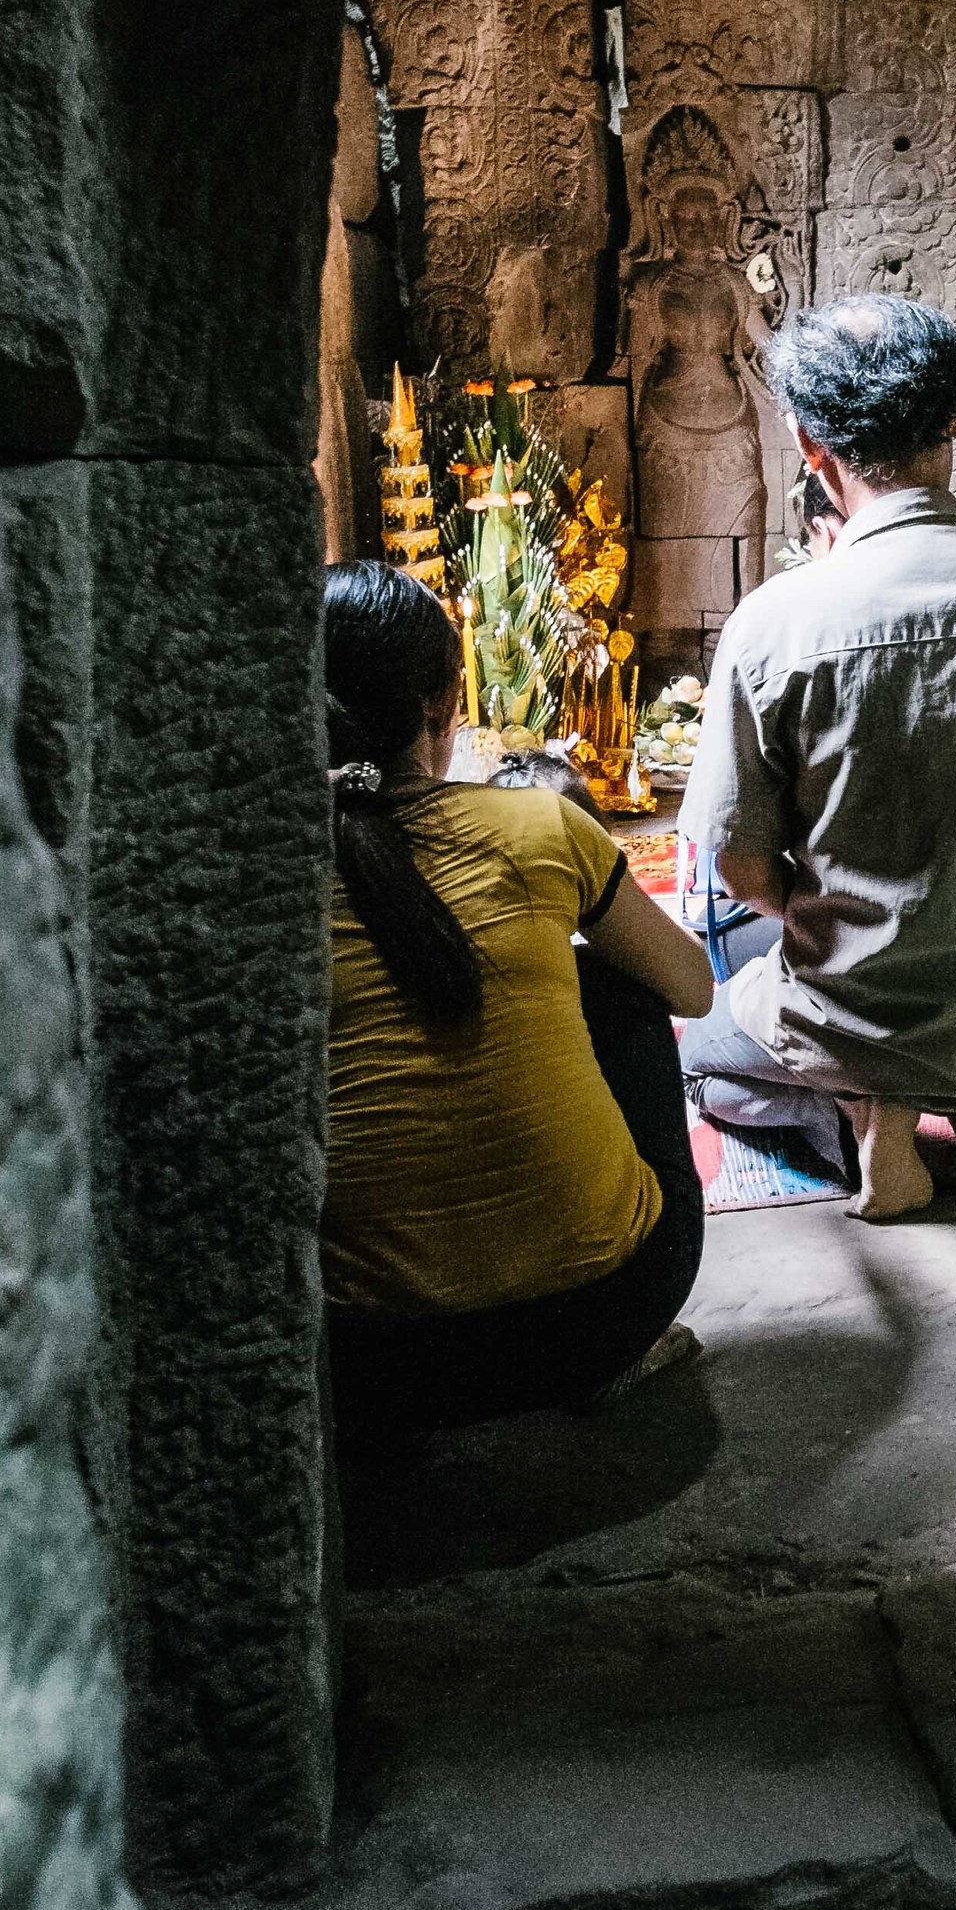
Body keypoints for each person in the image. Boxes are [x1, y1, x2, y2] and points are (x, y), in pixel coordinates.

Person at [679, 293, 956, 1218]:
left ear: (809, 445)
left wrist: (835, 904)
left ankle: (870, 1118)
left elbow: (739, 864)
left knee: (698, 1060)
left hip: (853, 1016)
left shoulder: (776, 624)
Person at [319, 560, 716, 1437]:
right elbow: (692, 987)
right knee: (618, 986)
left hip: (368, 1368)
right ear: (439, 712)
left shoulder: (274, 877)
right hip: (607, 1317)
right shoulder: (537, 824)